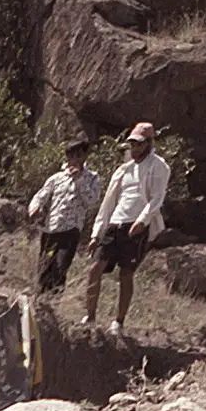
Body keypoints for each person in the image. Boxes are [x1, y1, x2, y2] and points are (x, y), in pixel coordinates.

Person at [82, 119, 173, 329]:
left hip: (136, 225)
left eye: (139, 143)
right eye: (132, 143)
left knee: (126, 272)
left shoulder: (159, 166)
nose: (134, 147)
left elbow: (157, 197)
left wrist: (143, 221)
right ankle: (90, 316)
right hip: (116, 223)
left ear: (149, 143)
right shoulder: (123, 170)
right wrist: (97, 232)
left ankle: (119, 321)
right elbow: (108, 202)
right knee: (95, 268)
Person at [23, 144, 96, 308]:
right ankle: (40, 303)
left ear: (84, 156)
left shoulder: (92, 178)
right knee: (44, 268)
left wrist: (79, 182)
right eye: (71, 156)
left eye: (78, 155)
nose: (75, 160)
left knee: (60, 267)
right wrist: (34, 208)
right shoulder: (56, 178)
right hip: (51, 228)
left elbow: (90, 201)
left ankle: (53, 304)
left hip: (71, 230)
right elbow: (41, 195)